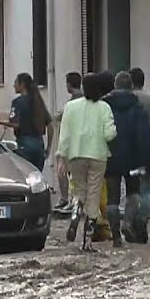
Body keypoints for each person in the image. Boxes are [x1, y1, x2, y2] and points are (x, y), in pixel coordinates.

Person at [58, 72, 117, 248]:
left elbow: (64, 134)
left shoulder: (71, 107)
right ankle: (87, 240)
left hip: (75, 154)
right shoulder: (104, 107)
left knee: (78, 190)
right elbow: (109, 134)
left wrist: (61, 156)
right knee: (94, 193)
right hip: (98, 155)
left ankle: (76, 212)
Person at [104, 72, 150, 246]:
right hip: (134, 159)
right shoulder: (138, 107)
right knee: (133, 193)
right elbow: (144, 135)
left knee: (112, 197)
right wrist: (147, 160)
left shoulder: (105, 106)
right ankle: (127, 223)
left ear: (115, 85)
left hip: (111, 157)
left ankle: (115, 235)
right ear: (131, 86)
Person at [6, 72, 53, 171]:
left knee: (24, 175)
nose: (14, 85)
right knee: (37, 176)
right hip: (39, 144)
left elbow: (16, 124)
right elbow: (50, 125)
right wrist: (48, 147)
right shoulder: (38, 101)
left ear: (22, 84)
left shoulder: (17, 102)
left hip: (24, 145)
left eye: (16, 82)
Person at [130, 68, 150, 225]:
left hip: (130, 148)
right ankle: (143, 217)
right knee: (148, 186)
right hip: (149, 145)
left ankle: (132, 216)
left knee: (132, 186)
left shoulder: (128, 99)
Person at [52, 71, 83, 214]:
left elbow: (59, 117)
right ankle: (71, 199)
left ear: (69, 84)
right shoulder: (83, 99)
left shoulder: (73, 103)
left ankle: (68, 199)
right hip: (79, 141)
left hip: (70, 143)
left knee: (64, 171)